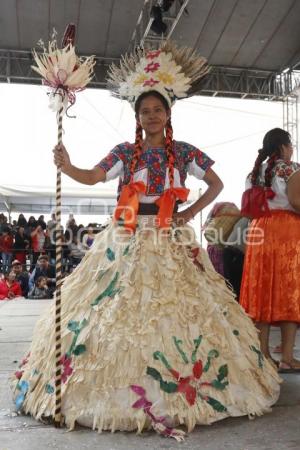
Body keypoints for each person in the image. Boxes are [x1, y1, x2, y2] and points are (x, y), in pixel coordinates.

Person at [11, 42, 280, 440]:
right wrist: (67, 166)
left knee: (184, 309)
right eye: (144, 111)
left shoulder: (184, 152)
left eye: (157, 110)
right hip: (128, 235)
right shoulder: (125, 152)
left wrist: (191, 212)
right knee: (115, 307)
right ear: (137, 117)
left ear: (168, 114)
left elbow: (217, 183)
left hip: (172, 236)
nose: (151, 116)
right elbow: (92, 177)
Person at [239, 128, 300, 372]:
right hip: (286, 231)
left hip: (259, 230)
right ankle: (287, 355)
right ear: (285, 147)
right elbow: (296, 201)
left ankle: (263, 353)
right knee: (290, 291)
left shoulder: (253, 173)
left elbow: (248, 208)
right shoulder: (290, 168)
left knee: (261, 291)